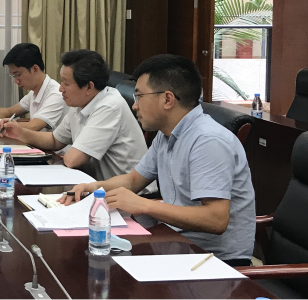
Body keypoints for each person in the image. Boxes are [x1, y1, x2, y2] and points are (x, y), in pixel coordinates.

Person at [61, 54, 255, 266]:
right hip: (176, 243)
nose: (135, 106)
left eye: (139, 96)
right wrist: (93, 188)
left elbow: (216, 219)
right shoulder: (166, 134)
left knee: (99, 270)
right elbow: (133, 180)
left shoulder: (208, 141)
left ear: (167, 99)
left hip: (214, 261)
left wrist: (144, 205)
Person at [1, 49, 149, 183]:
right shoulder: (80, 102)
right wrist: (20, 132)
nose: (60, 89)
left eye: (66, 83)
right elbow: (54, 140)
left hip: (132, 195)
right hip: (96, 186)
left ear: (89, 87)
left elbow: (73, 160)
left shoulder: (109, 107)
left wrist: (65, 156)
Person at [0, 43, 66, 133]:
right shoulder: (34, 92)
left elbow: (33, 126)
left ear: (35, 69)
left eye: (18, 74)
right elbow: (9, 112)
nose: (16, 81)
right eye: (13, 76)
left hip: (54, 148)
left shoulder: (56, 94)